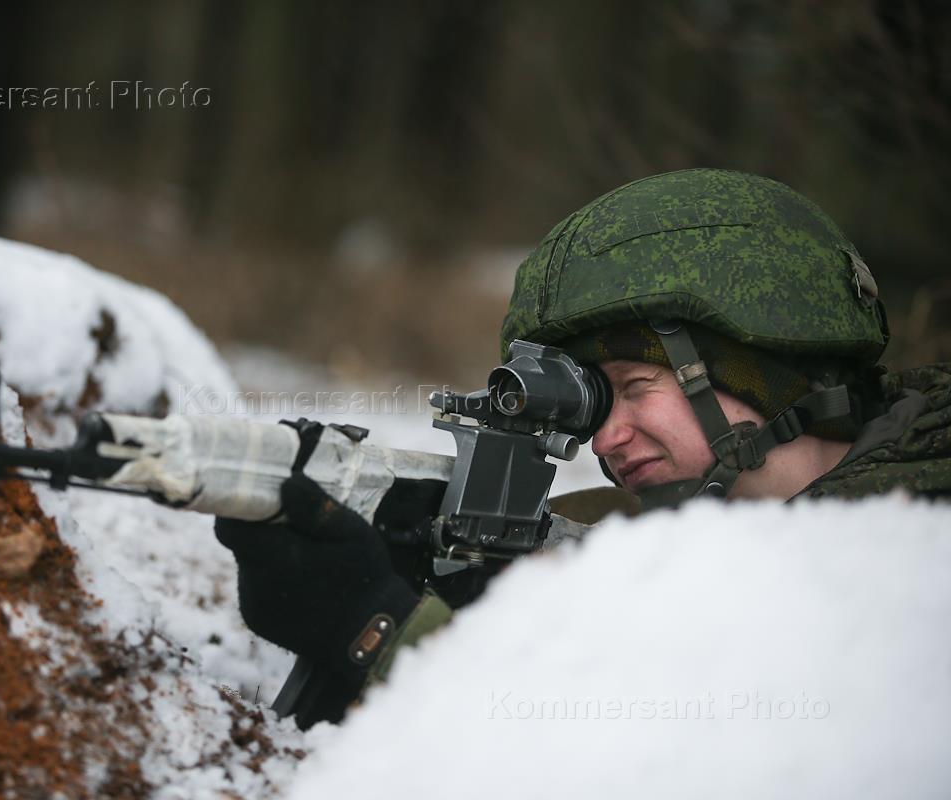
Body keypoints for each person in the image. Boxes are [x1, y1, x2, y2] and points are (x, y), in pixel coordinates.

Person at [215, 168, 951, 727]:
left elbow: (681, 752)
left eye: (635, 387)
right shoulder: (616, 539)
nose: (605, 437)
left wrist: (382, 632)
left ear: (767, 371)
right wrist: (447, 595)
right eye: (593, 402)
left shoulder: (916, 572)